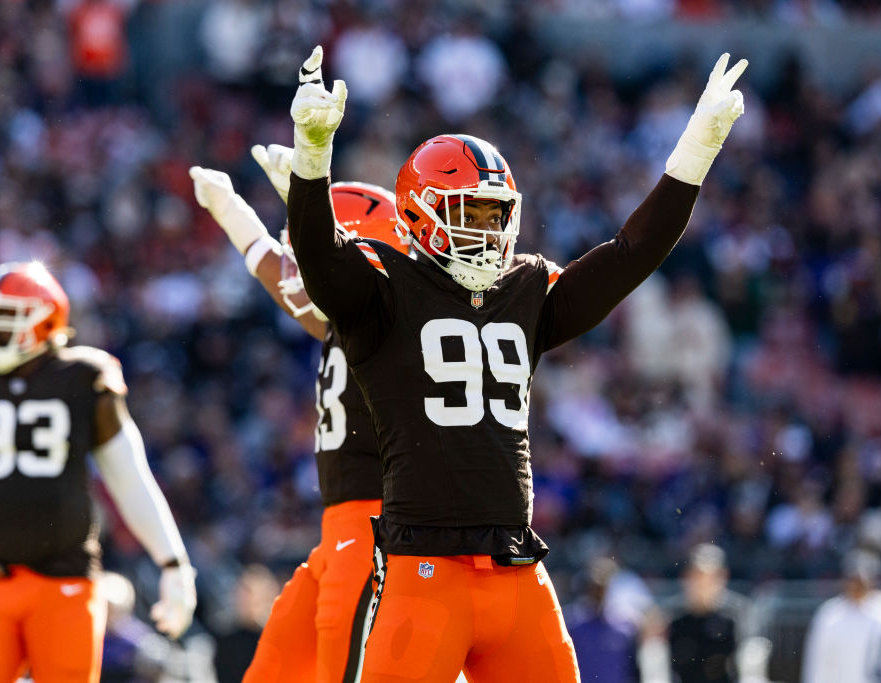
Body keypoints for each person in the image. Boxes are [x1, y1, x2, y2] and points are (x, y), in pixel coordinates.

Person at [278, 44, 747, 681]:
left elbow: (628, 254)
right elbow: (318, 255)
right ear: (419, 212)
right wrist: (312, 156)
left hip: (518, 570)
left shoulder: (524, 288)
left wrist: (695, 152)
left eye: (496, 213)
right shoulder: (383, 290)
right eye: (470, 211)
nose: (488, 229)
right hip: (426, 572)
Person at [189, 161, 408, 682]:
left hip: (381, 531)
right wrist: (233, 214)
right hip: (341, 534)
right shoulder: (348, 324)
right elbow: (281, 280)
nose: (300, 272)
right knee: (272, 670)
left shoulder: (394, 325)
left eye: (313, 260)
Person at [0, 261, 196, 683]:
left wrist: (173, 564)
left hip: (64, 579)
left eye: (4, 321)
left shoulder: (82, 377)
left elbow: (129, 477)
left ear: (47, 323)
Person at [801, 548, 881, 683]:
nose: (856, 584)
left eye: (862, 579)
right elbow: (815, 662)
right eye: (852, 578)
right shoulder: (829, 614)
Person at [667, 543, 741, 683]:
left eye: (709, 577)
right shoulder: (672, 616)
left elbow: (748, 664)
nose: (703, 584)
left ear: (723, 576)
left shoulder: (737, 614)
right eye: (697, 577)